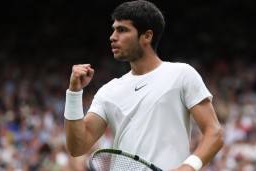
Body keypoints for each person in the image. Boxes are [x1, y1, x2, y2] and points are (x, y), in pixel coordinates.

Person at [64, 0, 224, 170]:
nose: (113, 37)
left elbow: (214, 133)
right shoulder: (108, 91)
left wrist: (188, 167)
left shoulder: (181, 74)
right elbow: (77, 147)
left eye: (122, 30)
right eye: (114, 30)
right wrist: (74, 93)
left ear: (147, 36)